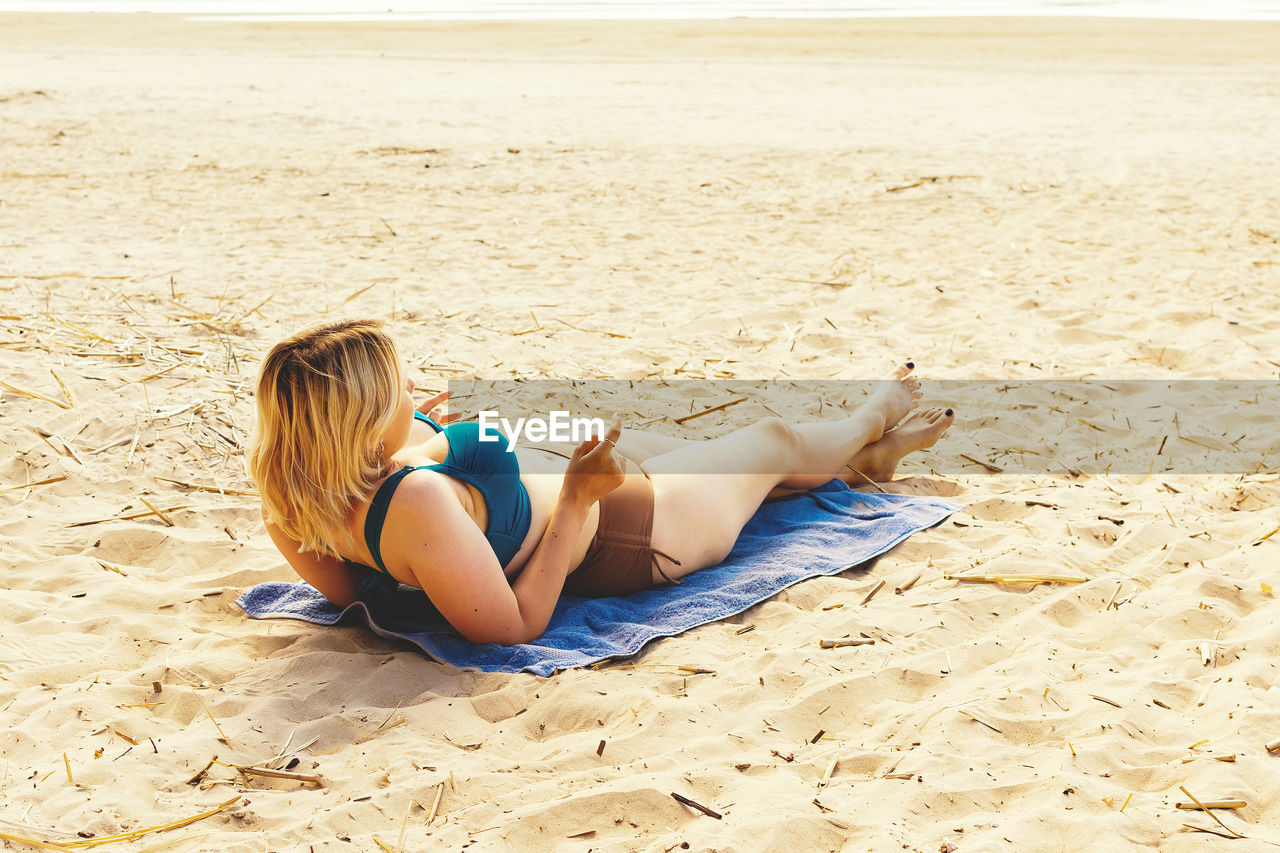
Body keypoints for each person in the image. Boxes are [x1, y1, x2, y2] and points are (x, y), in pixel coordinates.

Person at [247, 319, 953, 646]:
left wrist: (426, 447)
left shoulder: (297, 504)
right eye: (395, 386)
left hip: (601, 500)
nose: (410, 384)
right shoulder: (418, 503)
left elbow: (363, 592)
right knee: (770, 444)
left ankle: (870, 461)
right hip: (637, 533)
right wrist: (578, 500)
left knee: (739, 465)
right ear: (363, 423)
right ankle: (869, 417)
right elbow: (514, 627)